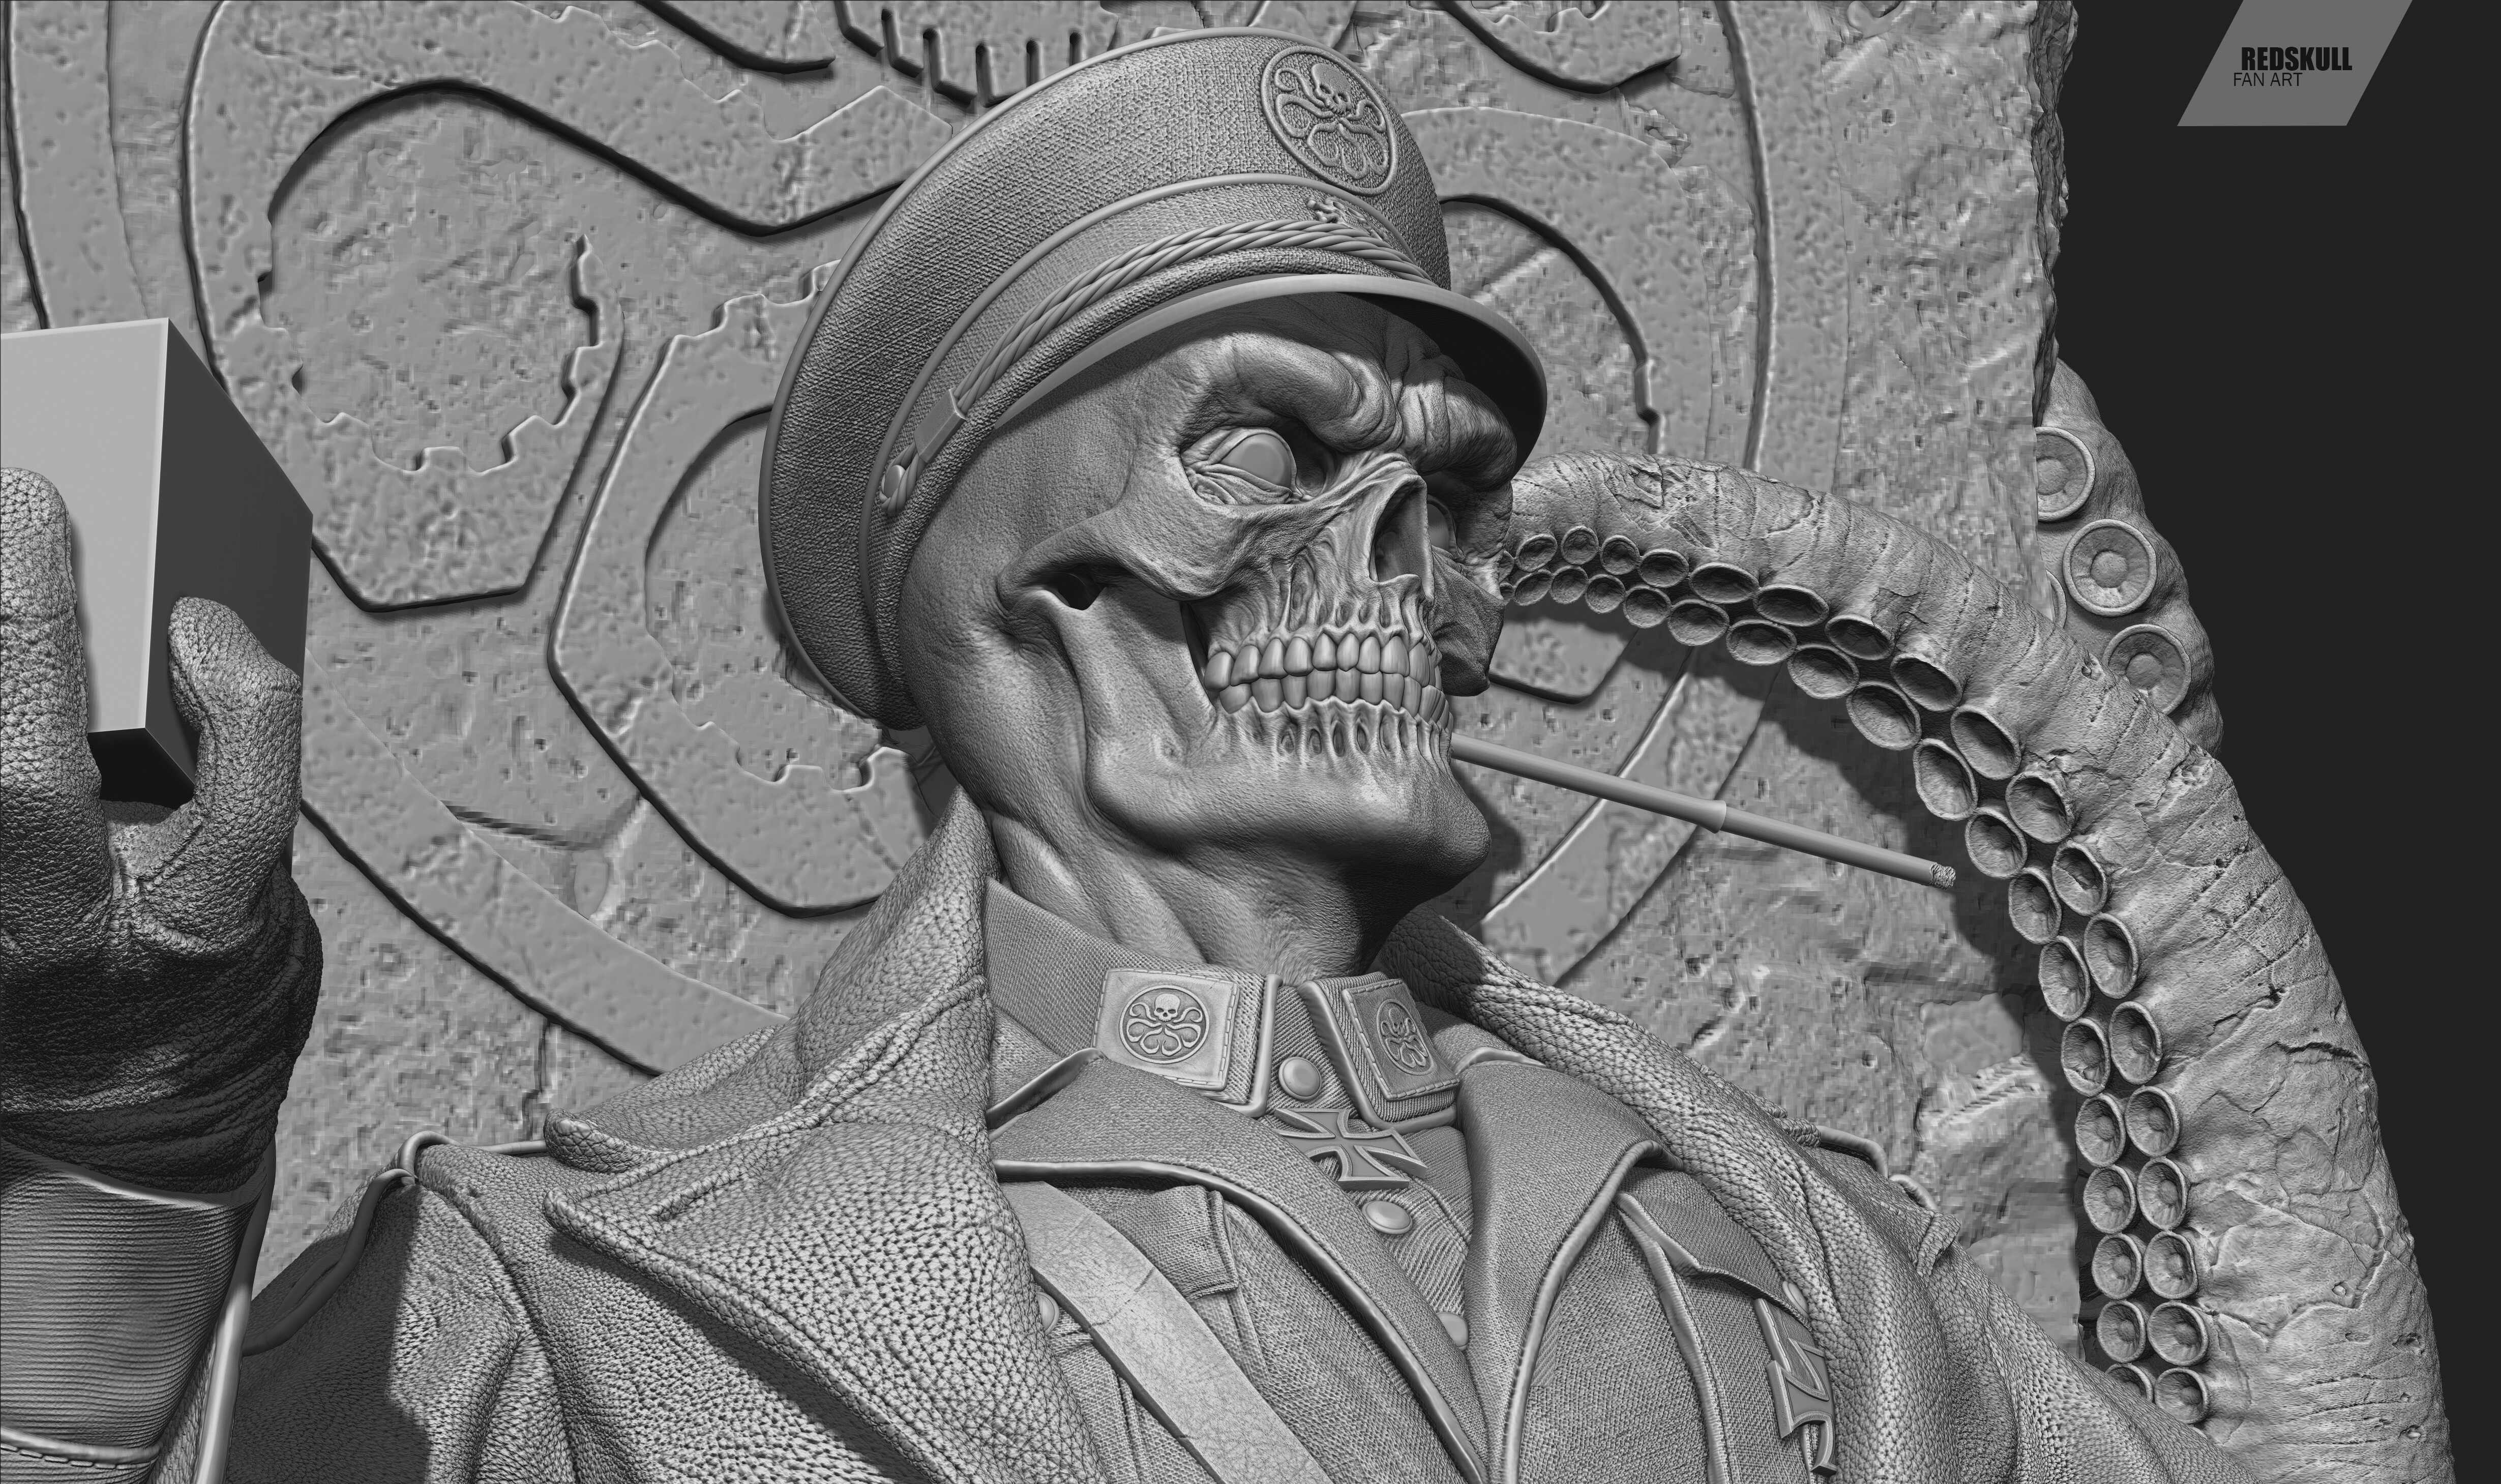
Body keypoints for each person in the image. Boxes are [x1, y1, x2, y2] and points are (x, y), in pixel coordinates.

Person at [0, 27, 2349, 1484]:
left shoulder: (1785, 1246)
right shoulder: (573, 1302)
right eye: (1267, 452)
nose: (1404, 560)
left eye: (1452, 492)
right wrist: (117, 1148)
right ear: (992, 583)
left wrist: (2179, 907)